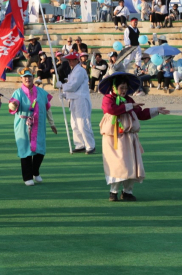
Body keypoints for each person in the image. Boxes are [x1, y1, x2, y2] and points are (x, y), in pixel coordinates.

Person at [98, 72, 170, 201]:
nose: (124, 90)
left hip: (129, 137)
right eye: (122, 88)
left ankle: (127, 192)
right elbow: (111, 109)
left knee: (131, 164)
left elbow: (140, 114)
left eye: (126, 88)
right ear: (115, 87)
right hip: (113, 138)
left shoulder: (129, 100)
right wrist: (130, 106)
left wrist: (155, 110)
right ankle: (113, 192)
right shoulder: (108, 99)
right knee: (117, 164)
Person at [8, 68, 57, 186]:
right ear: (21, 79)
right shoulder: (18, 93)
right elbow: (12, 107)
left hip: (39, 124)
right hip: (23, 125)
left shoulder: (41, 92)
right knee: (25, 151)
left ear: (33, 78)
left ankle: (36, 172)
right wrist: (13, 105)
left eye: (29, 76)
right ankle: (27, 177)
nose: (27, 78)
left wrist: (52, 123)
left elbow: (47, 108)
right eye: (25, 76)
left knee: (40, 150)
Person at [56, 53, 96, 154]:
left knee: (83, 123)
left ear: (77, 60)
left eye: (72, 60)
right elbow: (71, 87)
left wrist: (61, 86)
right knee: (74, 124)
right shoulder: (73, 71)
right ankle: (80, 144)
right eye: (69, 60)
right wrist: (65, 95)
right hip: (74, 99)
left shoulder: (80, 71)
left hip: (81, 100)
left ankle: (90, 145)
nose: (70, 62)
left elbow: (73, 86)